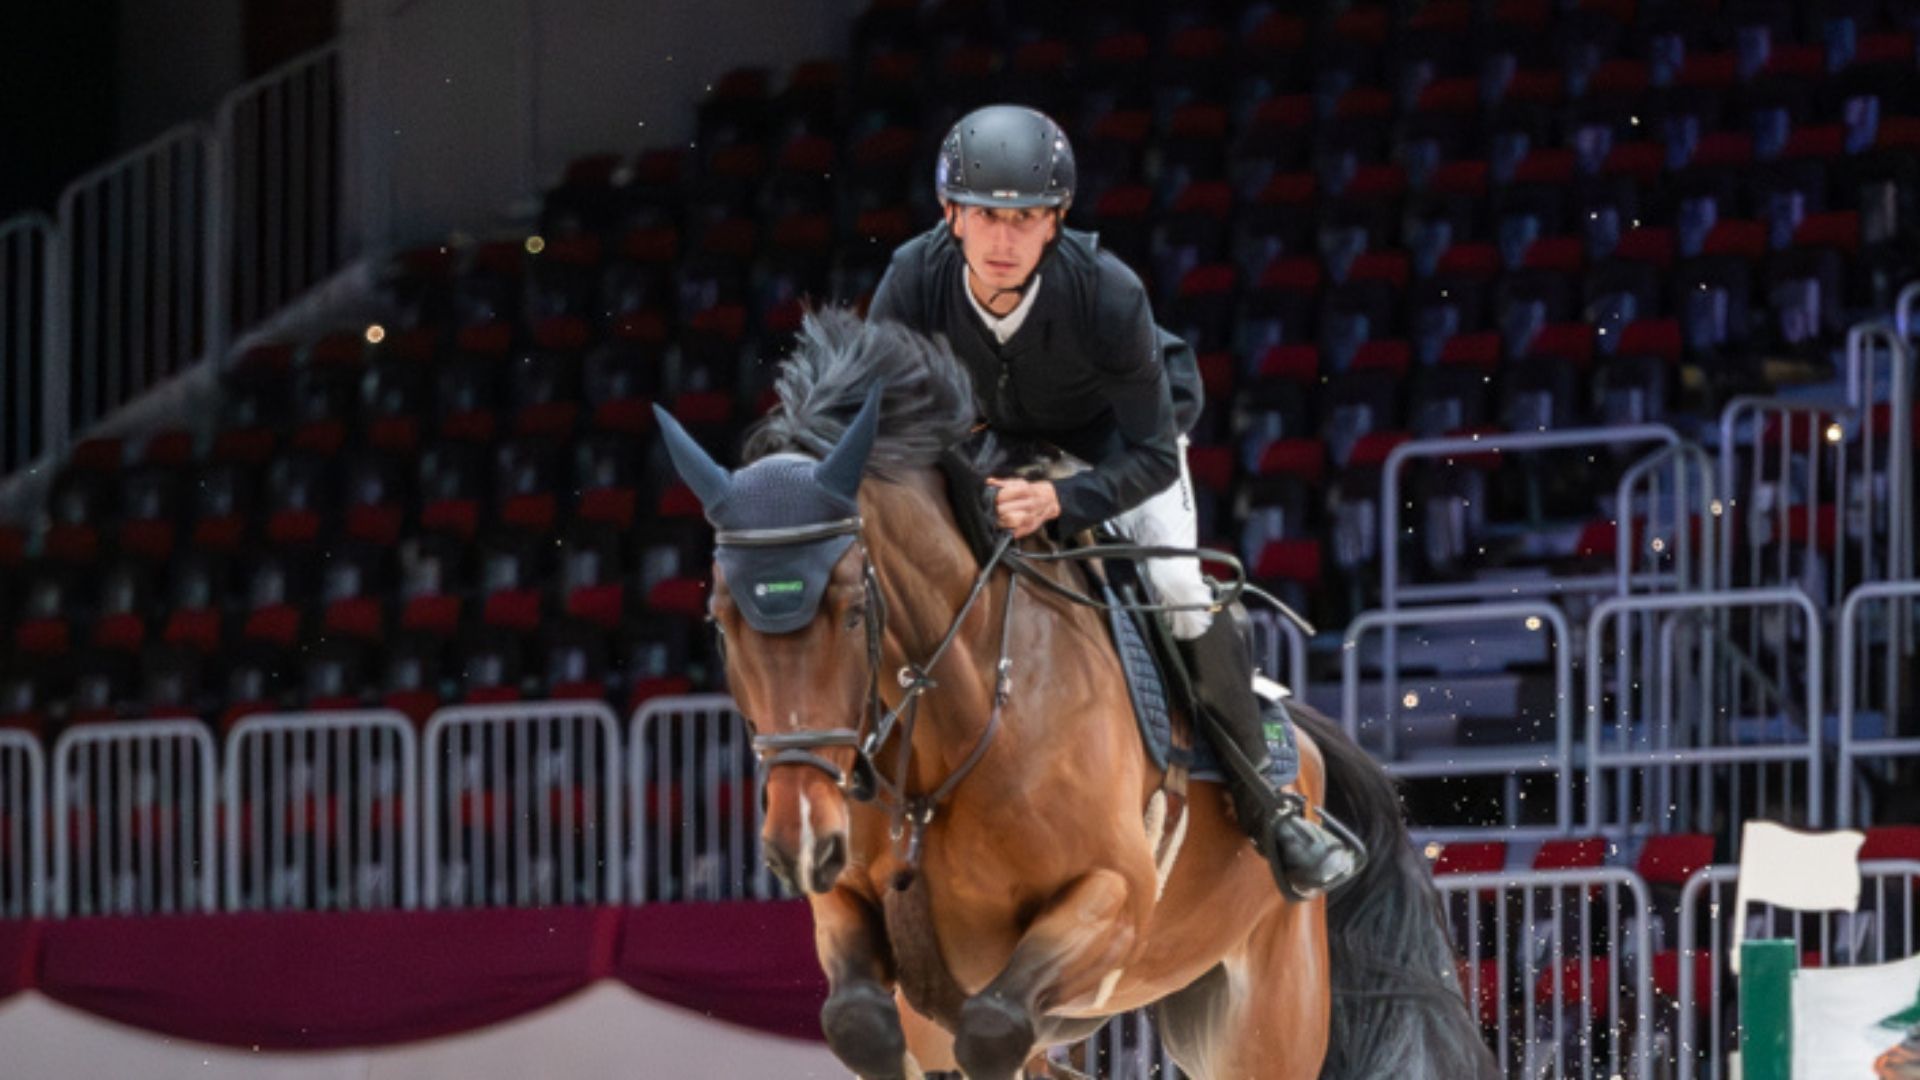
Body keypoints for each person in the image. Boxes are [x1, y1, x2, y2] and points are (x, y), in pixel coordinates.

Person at [866, 104, 1357, 901]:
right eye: (987, 216)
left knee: (1178, 593)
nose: (1003, 242)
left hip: (1118, 447)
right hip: (988, 448)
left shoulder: (1107, 293)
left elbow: (1156, 456)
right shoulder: (910, 281)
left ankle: (1271, 809)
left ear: (1056, 221)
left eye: (1025, 220)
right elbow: (888, 420)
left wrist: (1060, 501)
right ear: (950, 215)